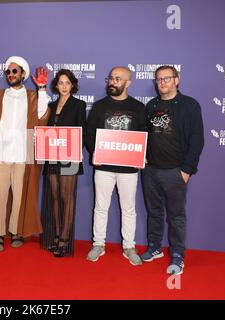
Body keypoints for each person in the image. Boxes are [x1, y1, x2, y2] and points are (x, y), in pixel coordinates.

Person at [0, 56, 50, 252]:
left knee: (20, 196)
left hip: (24, 155)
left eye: (14, 71)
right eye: (8, 72)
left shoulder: (32, 96)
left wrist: (41, 89)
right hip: (1, 154)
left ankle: (16, 231)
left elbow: (42, 115)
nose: (10, 75)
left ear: (23, 73)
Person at [140, 65, 204, 275]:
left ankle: (177, 253)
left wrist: (187, 170)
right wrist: (143, 159)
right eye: (158, 80)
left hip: (175, 171)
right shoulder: (151, 105)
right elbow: (144, 136)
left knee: (176, 216)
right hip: (151, 171)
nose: (162, 83)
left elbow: (197, 140)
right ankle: (155, 246)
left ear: (176, 80)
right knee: (154, 212)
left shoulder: (189, 105)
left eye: (166, 79)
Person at [85, 66, 146, 266]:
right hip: (103, 167)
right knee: (101, 207)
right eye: (111, 78)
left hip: (129, 169)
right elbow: (89, 133)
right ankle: (98, 244)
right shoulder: (100, 106)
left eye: (118, 79)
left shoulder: (138, 108)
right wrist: (94, 151)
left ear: (128, 83)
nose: (112, 82)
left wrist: (142, 154)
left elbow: (145, 135)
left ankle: (129, 246)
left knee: (129, 209)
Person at [40, 69, 86, 258]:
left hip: (70, 156)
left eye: (67, 83)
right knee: (55, 196)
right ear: (56, 85)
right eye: (61, 83)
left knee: (67, 198)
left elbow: (81, 131)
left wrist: (74, 153)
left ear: (73, 85)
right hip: (51, 155)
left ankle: (66, 239)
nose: (64, 86)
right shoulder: (50, 105)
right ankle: (57, 235)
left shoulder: (79, 105)